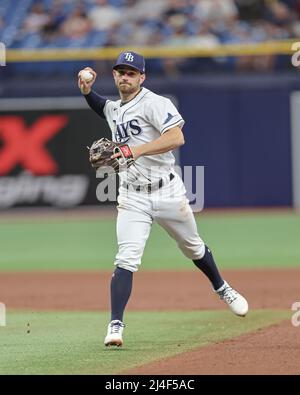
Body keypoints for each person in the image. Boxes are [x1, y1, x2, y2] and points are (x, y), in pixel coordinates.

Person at [78, 51, 248, 347]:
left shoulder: (156, 103)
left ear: (142, 77)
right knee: (126, 258)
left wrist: (135, 150)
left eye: (131, 73)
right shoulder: (115, 109)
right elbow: (101, 106)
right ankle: (115, 325)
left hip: (168, 191)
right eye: (120, 72)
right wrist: (86, 91)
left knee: (193, 247)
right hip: (132, 196)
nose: (124, 77)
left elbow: (176, 138)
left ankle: (222, 287)